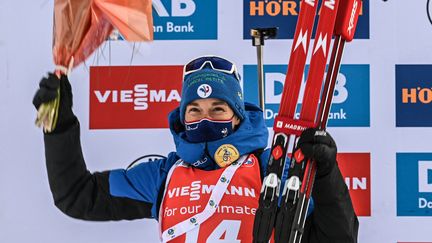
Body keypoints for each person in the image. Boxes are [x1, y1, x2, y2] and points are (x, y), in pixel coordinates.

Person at [33, 56, 358, 242]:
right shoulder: (164, 175)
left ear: (236, 116)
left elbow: (339, 239)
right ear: (182, 117)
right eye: (195, 110)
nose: (205, 118)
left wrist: (327, 175)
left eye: (218, 109)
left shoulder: (271, 168)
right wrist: (58, 127)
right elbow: (76, 196)